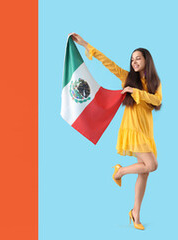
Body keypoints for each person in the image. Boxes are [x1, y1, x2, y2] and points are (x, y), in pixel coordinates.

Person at [69, 33, 162, 230]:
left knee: (144, 173)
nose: (134, 61)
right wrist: (85, 44)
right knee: (151, 165)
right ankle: (120, 172)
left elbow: (157, 100)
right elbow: (108, 63)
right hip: (132, 128)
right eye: (132, 59)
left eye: (138, 58)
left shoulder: (155, 82)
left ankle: (136, 214)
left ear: (146, 60)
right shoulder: (127, 77)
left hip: (146, 130)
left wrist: (135, 92)